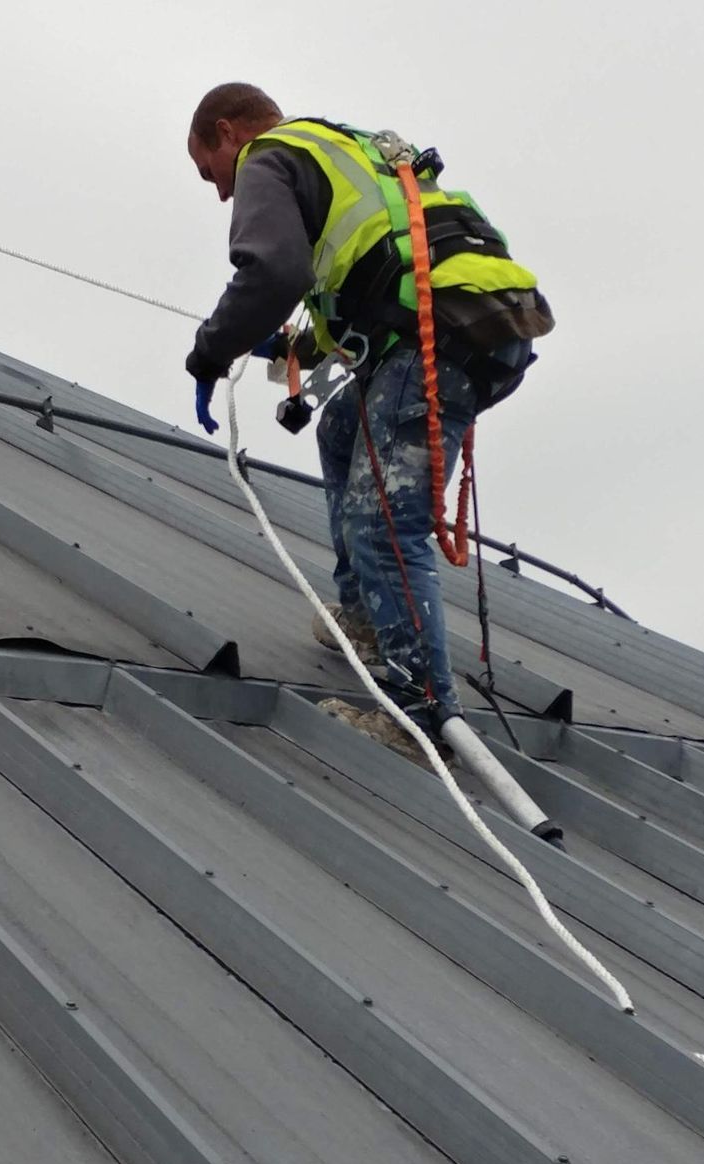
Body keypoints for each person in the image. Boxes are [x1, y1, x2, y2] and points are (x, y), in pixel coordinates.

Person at [184, 82, 553, 742]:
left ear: (225, 132)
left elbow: (273, 273)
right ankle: (364, 615)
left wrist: (212, 350)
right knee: (339, 426)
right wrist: (294, 343)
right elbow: (372, 276)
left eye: (208, 169)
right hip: (481, 319)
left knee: (384, 524)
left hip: (435, 335)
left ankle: (417, 720)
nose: (218, 192)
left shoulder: (266, 157)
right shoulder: (342, 149)